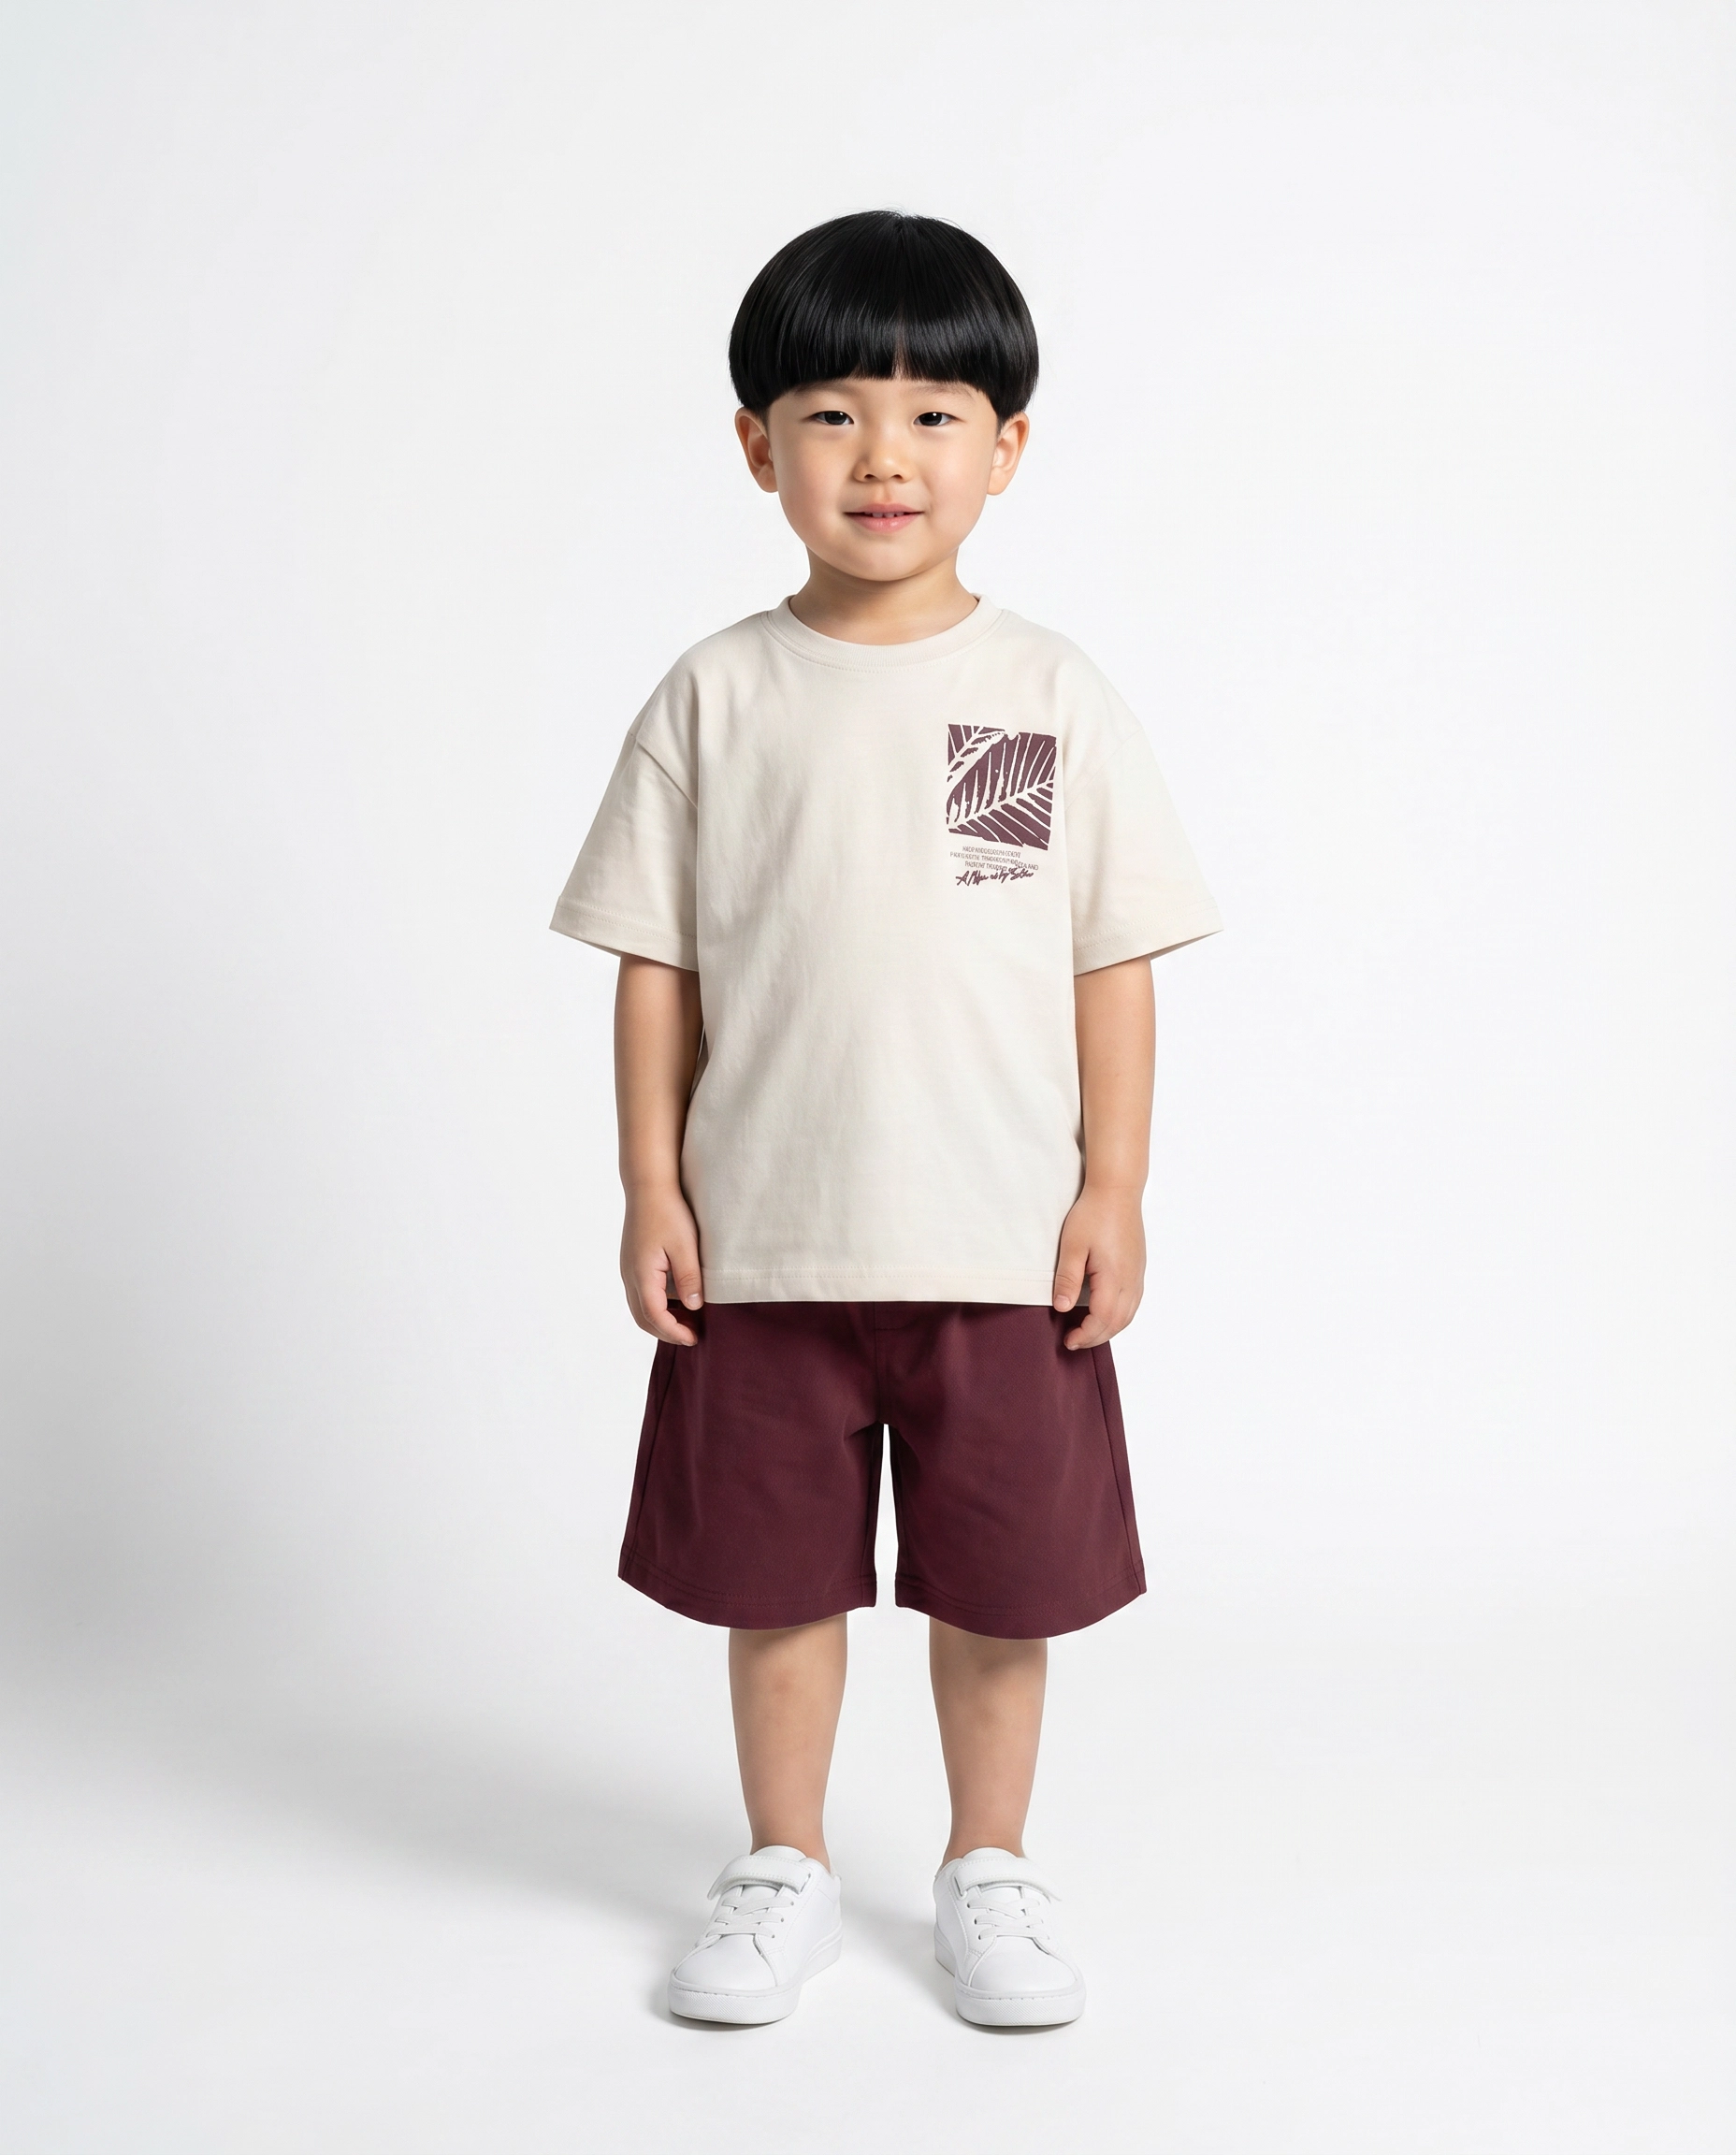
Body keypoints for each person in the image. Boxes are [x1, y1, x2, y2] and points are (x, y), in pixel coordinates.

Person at [550, 210, 1220, 2028]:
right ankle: (782, 1865)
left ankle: (989, 1867)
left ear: (1008, 448)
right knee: (775, 1582)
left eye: (934, 417)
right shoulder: (719, 695)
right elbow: (659, 965)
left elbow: (1099, 958)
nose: (882, 457)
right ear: (756, 445)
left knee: (1001, 1586)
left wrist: (1113, 1188)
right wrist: (650, 1185)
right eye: (833, 414)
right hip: (764, 1237)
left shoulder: (1035, 697)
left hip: (1000, 1241)